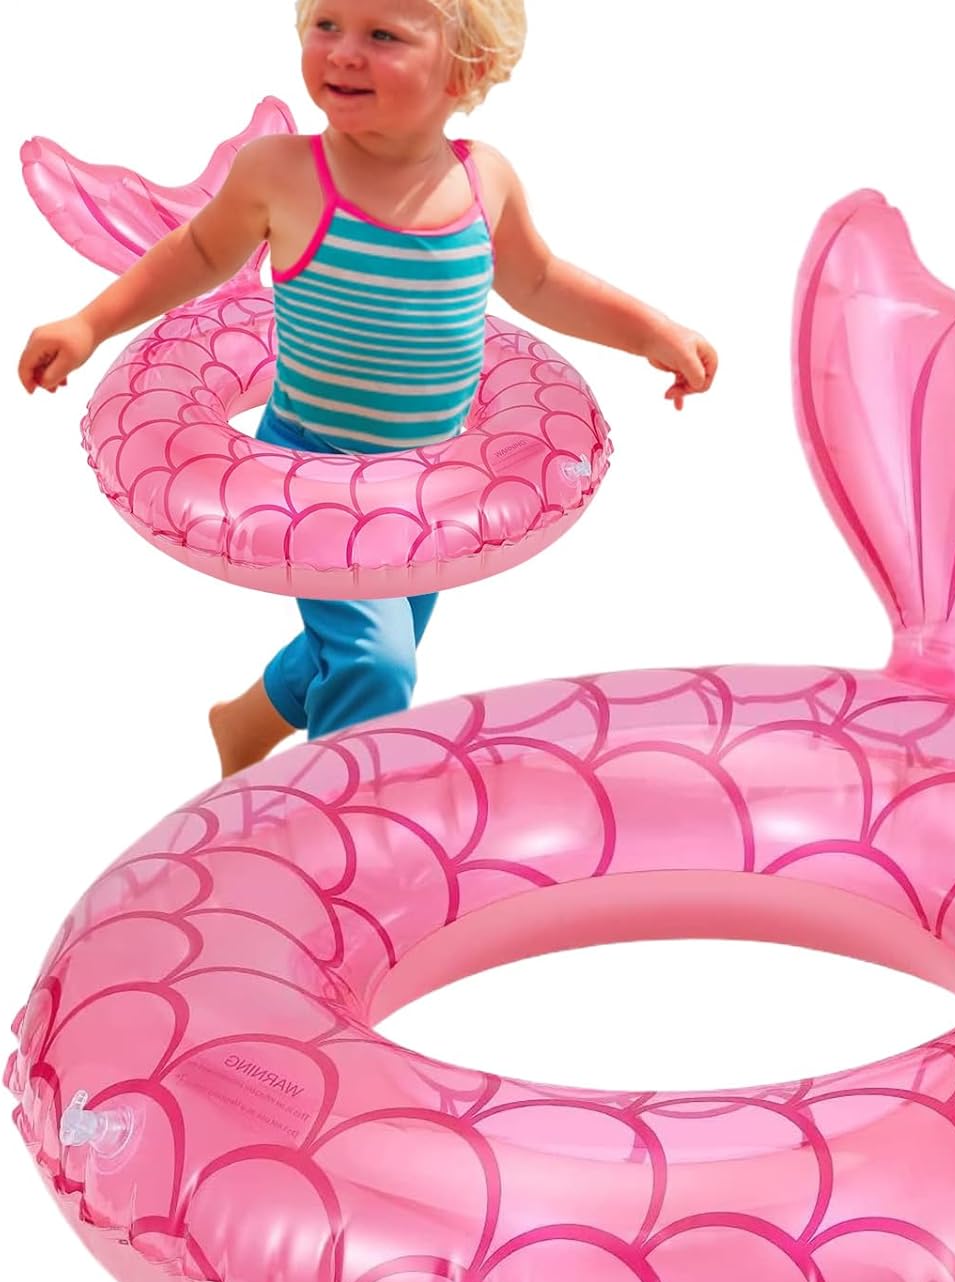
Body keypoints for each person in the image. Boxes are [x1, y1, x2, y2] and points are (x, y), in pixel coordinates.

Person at [17, 0, 718, 776]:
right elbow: (195, 255)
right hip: (310, 466)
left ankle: (244, 723)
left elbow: (542, 281)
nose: (343, 52)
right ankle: (337, 812)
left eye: (382, 35)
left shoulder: (484, 180)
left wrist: (649, 332)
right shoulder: (283, 173)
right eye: (327, 25)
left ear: (468, 69)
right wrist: (89, 323)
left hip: (429, 481)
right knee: (378, 663)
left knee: (363, 644)